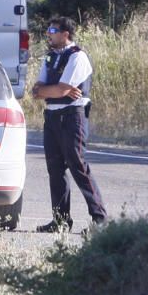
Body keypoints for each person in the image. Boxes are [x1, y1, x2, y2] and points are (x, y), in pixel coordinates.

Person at [31, 16, 108, 232]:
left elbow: (61, 90)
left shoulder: (77, 57)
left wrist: (53, 90)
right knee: (55, 169)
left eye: (53, 30)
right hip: (52, 116)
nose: (49, 34)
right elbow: (37, 90)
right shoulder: (49, 57)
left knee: (78, 166)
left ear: (66, 34)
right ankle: (60, 221)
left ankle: (100, 220)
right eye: (48, 29)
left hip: (72, 117)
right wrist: (51, 90)